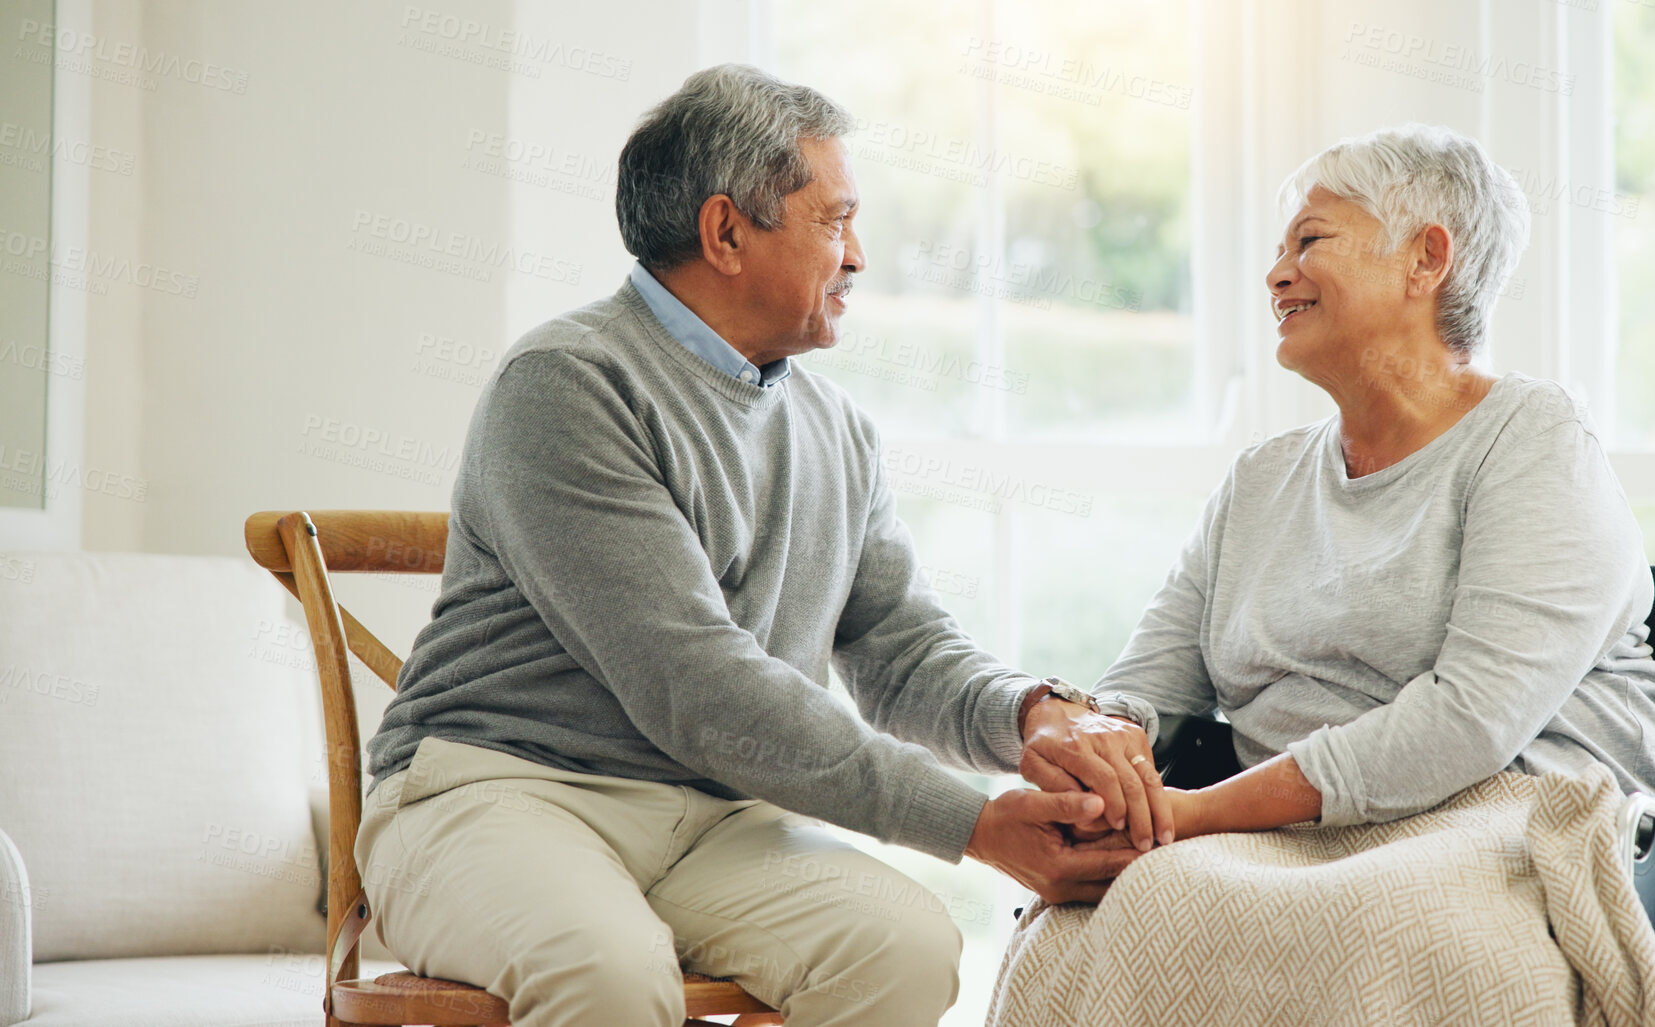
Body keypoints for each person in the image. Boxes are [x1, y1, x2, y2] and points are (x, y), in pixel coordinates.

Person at [353, 64, 1161, 1027]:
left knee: (901, 949)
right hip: (500, 793)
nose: (858, 255)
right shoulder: (566, 383)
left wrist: (1032, 713)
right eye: (835, 220)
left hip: (715, 819)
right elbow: (693, 681)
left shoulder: (835, 428)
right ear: (726, 231)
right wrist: (974, 824)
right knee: (605, 974)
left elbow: (902, 654)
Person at [1085, 123, 1655, 840]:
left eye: (1309, 242)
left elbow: (1469, 720)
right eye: (1278, 253)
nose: (1276, 276)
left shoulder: (1531, 441)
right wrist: (1102, 750)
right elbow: (1145, 685)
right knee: (1077, 909)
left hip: (1496, 825)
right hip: (1274, 841)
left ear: (1425, 259)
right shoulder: (1258, 481)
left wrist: (1200, 812)